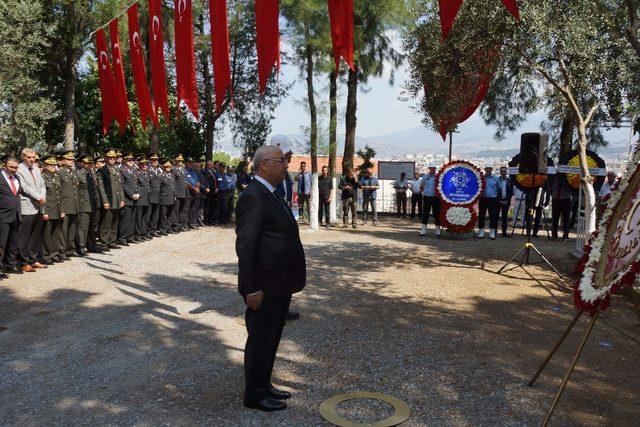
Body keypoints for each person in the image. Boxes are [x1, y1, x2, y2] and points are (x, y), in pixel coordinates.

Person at [235, 145, 306, 412]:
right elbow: (246, 246)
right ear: (264, 164)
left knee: (272, 337)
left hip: (279, 282)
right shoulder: (253, 196)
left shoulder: (271, 192)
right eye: (281, 161)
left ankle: (264, 384)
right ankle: (254, 394)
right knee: (261, 339)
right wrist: (252, 288)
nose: (286, 164)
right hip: (263, 284)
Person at [16, 148, 47, 271]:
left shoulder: (35, 168)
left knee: (35, 236)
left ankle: (33, 259)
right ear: (23, 157)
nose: (32, 159)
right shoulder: (19, 169)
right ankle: (23, 262)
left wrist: (42, 197)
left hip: (38, 206)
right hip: (27, 206)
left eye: (34, 157)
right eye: (29, 157)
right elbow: (24, 187)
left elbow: (42, 184)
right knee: (24, 237)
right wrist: (38, 197)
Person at [97, 149, 125, 249]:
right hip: (109, 199)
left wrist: (122, 199)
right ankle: (104, 242)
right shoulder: (102, 170)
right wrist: (105, 201)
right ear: (106, 158)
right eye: (110, 157)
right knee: (106, 222)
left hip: (117, 199)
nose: (112, 159)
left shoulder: (117, 169)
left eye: (114, 157)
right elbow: (101, 187)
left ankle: (112, 240)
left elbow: (120, 186)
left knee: (114, 221)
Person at [0, 156, 23, 276]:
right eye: (11, 167)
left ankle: (9, 264)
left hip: (16, 215)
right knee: (1, 243)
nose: (14, 170)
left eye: (16, 167)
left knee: (13, 242)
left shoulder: (16, 177)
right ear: (4, 165)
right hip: (2, 216)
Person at [41, 155, 65, 264]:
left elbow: (60, 194)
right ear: (45, 166)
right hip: (48, 209)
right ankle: (46, 256)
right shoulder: (42, 177)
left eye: (54, 164)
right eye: (50, 164)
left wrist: (62, 209)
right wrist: (44, 211)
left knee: (56, 234)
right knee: (47, 234)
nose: (52, 166)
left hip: (57, 209)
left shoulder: (56, 177)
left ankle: (54, 254)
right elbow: (42, 197)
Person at [57, 150, 80, 258]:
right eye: (69, 159)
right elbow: (59, 191)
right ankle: (62, 251)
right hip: (65, 205)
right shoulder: (60, 172)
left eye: (72, 160)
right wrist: (61, 208)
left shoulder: (74, 172)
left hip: (74, 205)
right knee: (63, 230)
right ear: (63, 161)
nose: (71, 161)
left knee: (72, 229)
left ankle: (71, 249)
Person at [76, 155, 100, 255]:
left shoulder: (91, 173)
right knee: (83, 227)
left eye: (91, 163)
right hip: (83, 204)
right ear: (82, 164)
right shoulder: (79, 173)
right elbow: (82, 187)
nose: (89, 165)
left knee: (91, 226)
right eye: (87, 163)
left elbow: (95, 187)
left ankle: (91, 245)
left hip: (92, 202)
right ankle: (81, 247)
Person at [118, 153, 140, 245]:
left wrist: (138, 193)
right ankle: (122, 238)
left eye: (132, 159)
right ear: (124, 160)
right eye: (128, 159)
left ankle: (130, 236)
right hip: (127, 198)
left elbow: (136, 183)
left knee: (132, 219)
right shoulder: (121, 170)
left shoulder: (134, 170)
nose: (131, 161)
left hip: (135, 198)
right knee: (125, 220)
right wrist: (131, 194)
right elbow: (123, 185)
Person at [478, 166, 501, 240]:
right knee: (481, 215)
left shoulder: (495, 178)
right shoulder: (481, 178)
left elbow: (499, 189)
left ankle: (492, 233)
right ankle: (481, 232)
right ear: (484, 169)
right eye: (487, 168)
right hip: (483, 199)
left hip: (493, 199)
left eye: (490, 168)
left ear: (492, 169)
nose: (488, 170)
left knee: (493, 216)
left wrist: (497, 200)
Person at [419, 164, 440, 236]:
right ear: (429, 169)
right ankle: (423, 230)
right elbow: (421, 187)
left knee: (437, 214)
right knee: (425, 213)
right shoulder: (425, 177)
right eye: (431, 168)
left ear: (435, 169)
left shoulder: (438, 177)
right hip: (427, 197)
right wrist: (424, 192)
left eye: (434, 168)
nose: (432, 169)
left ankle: (437, 230)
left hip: (436, 198)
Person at [550, 175, 571, 242]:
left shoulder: (568, 176)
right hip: (555, 199)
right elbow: (550, 187)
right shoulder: (553, 176)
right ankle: (554, 235)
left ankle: (565, 235)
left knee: (566, 219)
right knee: (555, 218)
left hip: (566, 199)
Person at [159, 159, 177, 235]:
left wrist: (174, 195)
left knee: (170, 214)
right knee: (164, 215)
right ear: (163, 167)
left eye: (169, 167)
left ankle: (168, 228)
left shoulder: (171, 175)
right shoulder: (161, 175)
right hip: (164, 198)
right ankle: (163, 229)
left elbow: (173, 187)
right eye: (166, 167)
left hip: (171, 198)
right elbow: (159, 187)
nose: (168, 168)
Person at [172, 154, 189, 232]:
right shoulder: (174, 170)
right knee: (176, 211)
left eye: (181, 161)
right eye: (179, 161)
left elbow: (185, 182)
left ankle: (180, 225)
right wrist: (174, 193)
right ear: (175, 161)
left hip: (184, 193)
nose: (180, 162)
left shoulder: (183, 170)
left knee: (182, 210)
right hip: (178, 193)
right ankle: (175, 226)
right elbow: (173, 183)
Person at [135, 156, 151, 239]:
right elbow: (136, 186)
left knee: (145, 217)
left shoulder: (147, 173)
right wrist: (139, 194)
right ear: (139, 165)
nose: (144, 166)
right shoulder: (136, 173)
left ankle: (143, 233)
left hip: (147, 198)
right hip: (140, 198)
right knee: (138, 217)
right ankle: (137, 234)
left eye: (146, 164)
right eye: (142, 164)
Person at [147, 154, 162, 237]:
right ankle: (147, 230)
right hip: (150, 196)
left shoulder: (159, 170)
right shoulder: (147, 170)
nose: (155, 161)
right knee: (148, 214)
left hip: (158, 195)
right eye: (153, 160)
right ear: (150, 160)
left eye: (156, 160)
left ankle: (153, 229)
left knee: (155, 214)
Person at [497, 166, 513, 238]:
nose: (503, 172)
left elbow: (511, 192)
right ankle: (494, 232)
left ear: (506, 172)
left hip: (506, 201)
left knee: (504, 218)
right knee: (496, 217)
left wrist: (507, 200)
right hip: (498, 201)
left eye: (504, 171)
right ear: (500, 172)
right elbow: (495, 191)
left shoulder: (509, 181)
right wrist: (499, 200)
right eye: (502, 171)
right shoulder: (497, 180)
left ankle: (504, 232)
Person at [202, 161, 218, 225]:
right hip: (208, 192)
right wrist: (207, 188)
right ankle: (206, 221)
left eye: (211, 165)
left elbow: (216, 181)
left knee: (212, 206)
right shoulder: (205, 172)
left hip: (214, 192)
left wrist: (217, 188)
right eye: (209, 165)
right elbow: (205, 181)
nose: (211, 166)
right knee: (207, 207)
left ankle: (211, 220)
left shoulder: (213, 172)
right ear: (207, 165)